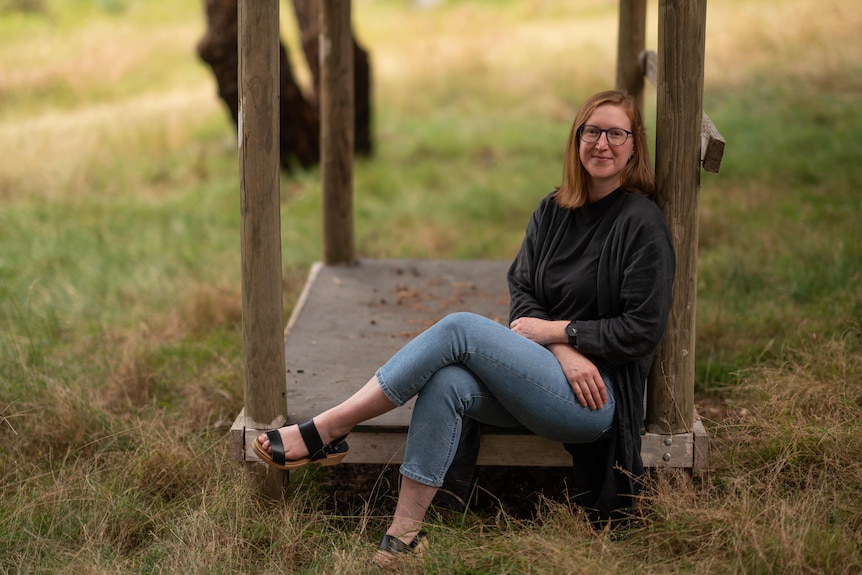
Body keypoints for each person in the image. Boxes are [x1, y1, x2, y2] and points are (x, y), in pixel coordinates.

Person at [254, 90, 676, 562]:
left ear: (635, 145)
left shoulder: (643, 224)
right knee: (449, 380)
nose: (603, 143)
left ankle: (330, 426)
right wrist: (562, 347)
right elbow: (523, 294)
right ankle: (405, 534)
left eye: (616, 133)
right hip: (546, 375)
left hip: (596, 400)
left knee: (459, 329)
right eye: (592, 131)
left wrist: (562, 334)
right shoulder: (554, 210)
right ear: (576, 139)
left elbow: (641, 328)